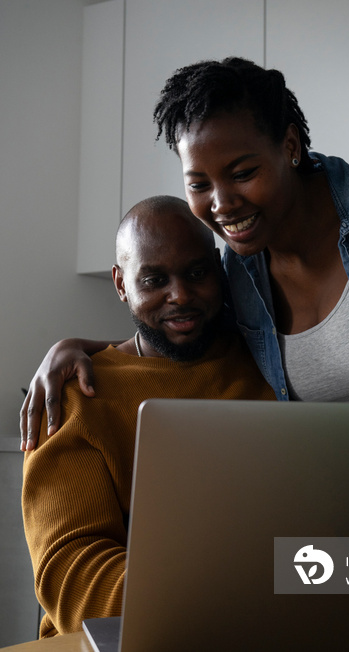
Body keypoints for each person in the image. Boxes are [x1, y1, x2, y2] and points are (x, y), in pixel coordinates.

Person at [21, 57, 349, 449]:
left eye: (243, 173)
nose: (222, 204)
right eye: (199, 184)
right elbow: (185, 333)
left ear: (290, 146)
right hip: (329, 514)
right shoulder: (239, 274)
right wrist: (74, 346)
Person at [22, 195, 275, 637]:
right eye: (155, 279)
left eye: (197, 273)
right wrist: (223, 598)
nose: (180, 295)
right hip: (137, 634)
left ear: (217, 269)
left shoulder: (269, 365)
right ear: (121, 284)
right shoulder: (73, 396)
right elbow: (72, 573)